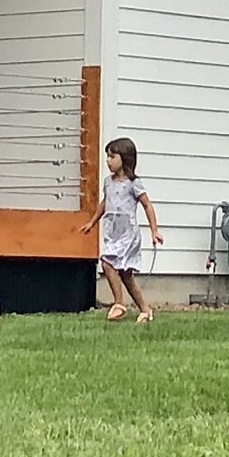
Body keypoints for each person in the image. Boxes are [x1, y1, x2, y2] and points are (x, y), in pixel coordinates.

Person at [86, 136, 165, 322]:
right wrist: (92, 222)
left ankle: (119, 304)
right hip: (112, 231)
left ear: (125, 159)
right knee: (126, 275)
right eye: (107, 156)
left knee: (107, 262)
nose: (108, 161)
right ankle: (145, 310)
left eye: (112, 156)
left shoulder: (133, 183)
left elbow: (147, 205)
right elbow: (105, 203)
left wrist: (154, 231)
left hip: (127, 233)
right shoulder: (108, 182)